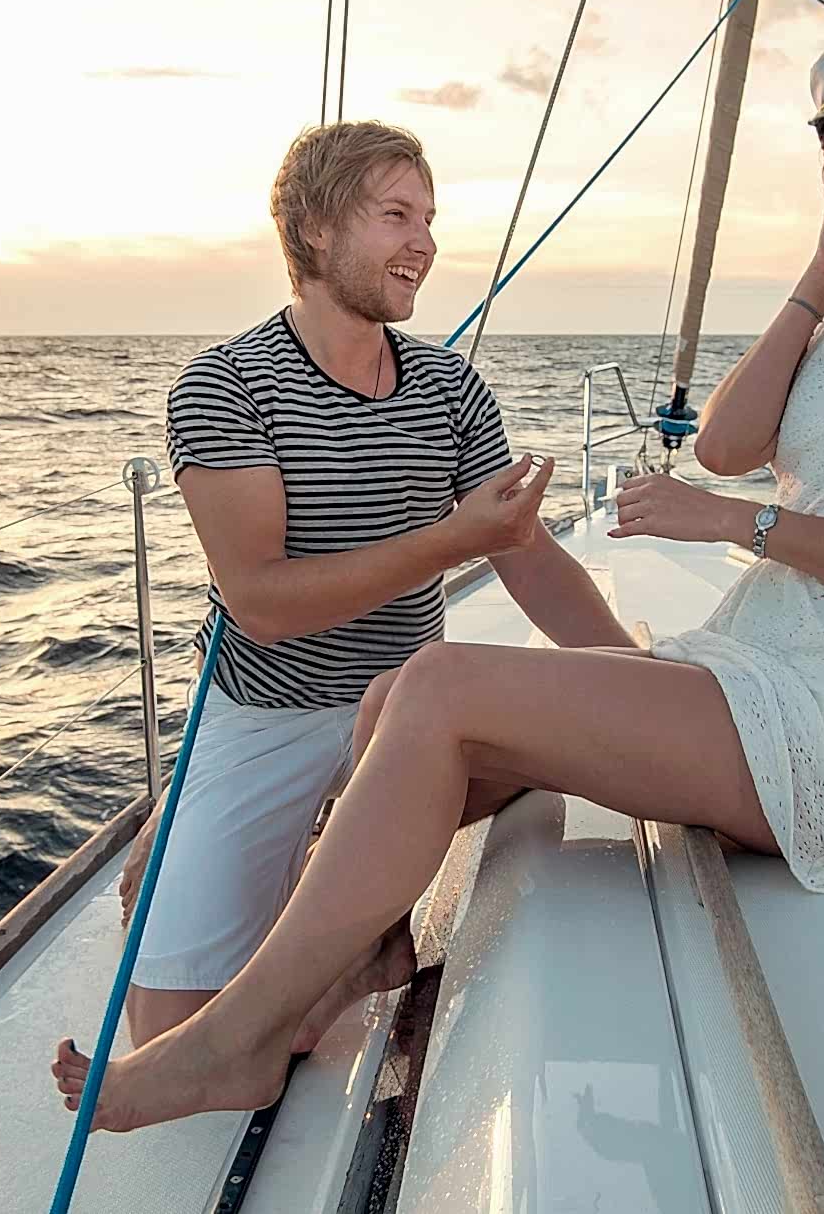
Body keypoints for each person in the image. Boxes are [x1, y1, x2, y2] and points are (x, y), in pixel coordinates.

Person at [55, 12, 824, 1130]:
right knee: (394, 697)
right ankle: (350, 957)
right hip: (757, 663)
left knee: (439, 687)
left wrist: (729, 529)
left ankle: (232, 1044)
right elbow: (724, 442)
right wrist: (817, 275)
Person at [114, 120, 635, 1055]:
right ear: (314, 229)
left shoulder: (448, 385)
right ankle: (210, 814)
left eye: (429, 218)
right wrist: (452, 537)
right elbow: (261, 604)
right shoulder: (225, 386)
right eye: (396, 214)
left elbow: (522, 555)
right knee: (170, 1030)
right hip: (267, 709)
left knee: (554, 734)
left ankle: (330, 846)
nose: (425, 243)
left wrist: (630, 676)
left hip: (407, 713)